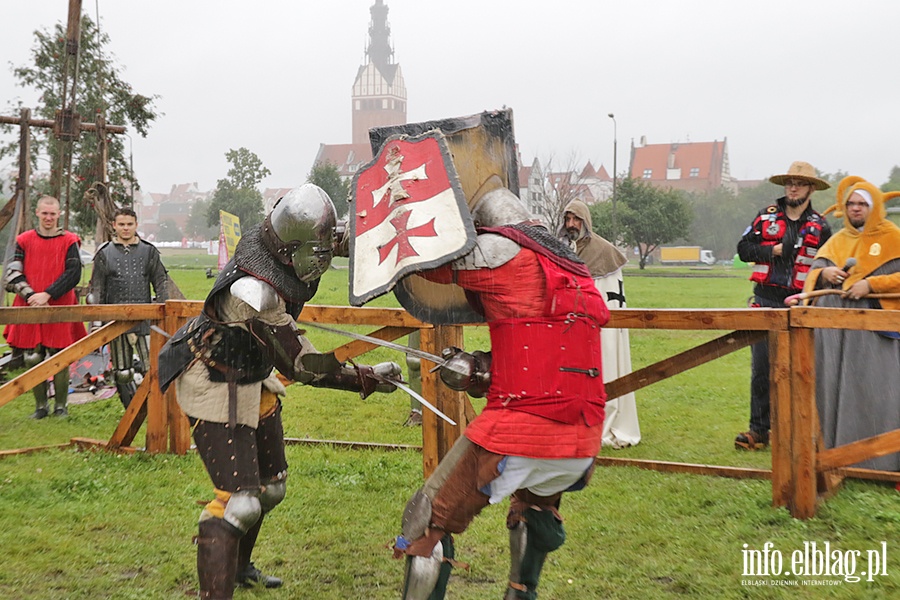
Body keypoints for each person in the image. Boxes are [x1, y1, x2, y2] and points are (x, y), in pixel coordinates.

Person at [158, 184, 401, 599]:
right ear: (290, 250)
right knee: (240, 501)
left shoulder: (282, 240)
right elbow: (304, 366)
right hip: (213, 378)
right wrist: (367, 378)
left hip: (252, 374)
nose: (324, 257)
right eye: (318, 251)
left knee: (271, 489)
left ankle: (239, 568)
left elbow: (342, 240)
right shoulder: (255, 292)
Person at [394, 187, 609, 600]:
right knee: (534, 509)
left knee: (425, 523)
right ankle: (520, 593)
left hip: (521, 434)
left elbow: (427, 262)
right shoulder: (575, 272)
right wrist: (484, 368)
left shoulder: (506, 253)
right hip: (581, 443)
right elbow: (548, 352)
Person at [802, 176, 900, 471]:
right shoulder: (838, 239)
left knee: (873, 387)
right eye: (851, 204)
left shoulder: (893, 237)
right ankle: (833, 455)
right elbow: (815, 270)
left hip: (873, 332)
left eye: (862, 204)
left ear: (874, 208)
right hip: (833, 333)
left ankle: (878, 461)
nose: (855, 209)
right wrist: (826, 273)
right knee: (830, 385)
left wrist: (871, 285)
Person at [734, 161, 831, 450]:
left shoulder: (821, 226)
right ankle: (759, 430)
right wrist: (770, 250)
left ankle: (803, 432)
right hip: (765, 300)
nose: (793, 187)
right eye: (789, 182)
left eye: (799, 183)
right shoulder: (766, 217)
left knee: (803, 369)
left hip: (802, 304)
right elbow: (742, 249)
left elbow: (828, 262)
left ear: (811, 189)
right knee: (762, 368)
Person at [560, 199, 640, 448]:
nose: (571, 224)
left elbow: (609, 296)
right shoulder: (566, 248)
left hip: (601, 325)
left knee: (605, 367)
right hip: (574, 325)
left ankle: (605, 423)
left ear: (586, 222)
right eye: (568, 219)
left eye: (576, 219)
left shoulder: (603, 252)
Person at [4, 196, 87, 419]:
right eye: (45, 213)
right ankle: (41, 406)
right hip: (30, 303)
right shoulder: (24, 240)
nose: (49, 217)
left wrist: (48, 294)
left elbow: (73, 273)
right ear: (38, 213)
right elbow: (12, 273)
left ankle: (61, 406)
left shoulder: (70, 241)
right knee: (33, 356)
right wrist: (31, 295)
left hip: (60, 303)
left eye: (53, 214)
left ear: (58, 214)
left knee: (59, 354)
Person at [89, 207, 169, 407]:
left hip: (144, 319)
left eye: (129, 224)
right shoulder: (104, 254)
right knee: (123, 372)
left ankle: (156, 407)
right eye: (122, 224)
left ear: (136, 225)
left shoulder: (148, 251)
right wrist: (97, 321)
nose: (125, 228)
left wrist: (162, 312)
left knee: (152, 368)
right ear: (114, 226)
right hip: (116, 320)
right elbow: (97, 289)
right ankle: (131, 409)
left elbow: (160, 282)